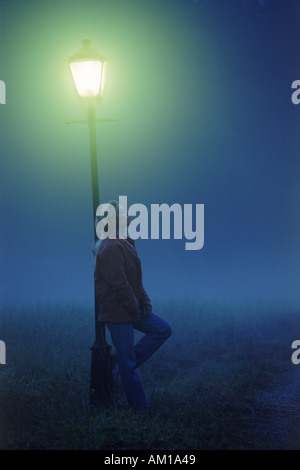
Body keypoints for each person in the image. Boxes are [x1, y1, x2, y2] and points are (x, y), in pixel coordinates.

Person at [94, 200, 172, 410]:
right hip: (118, 312)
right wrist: (134, 307)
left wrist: (145, 301)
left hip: (131, 308)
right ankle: (140, 410)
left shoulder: (125, 242)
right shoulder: (111, 246)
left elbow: (135, 280)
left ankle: (119, 363)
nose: (128, 215)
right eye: (123, 213)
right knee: (128, 365)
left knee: (163, 329)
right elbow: (119, 283)